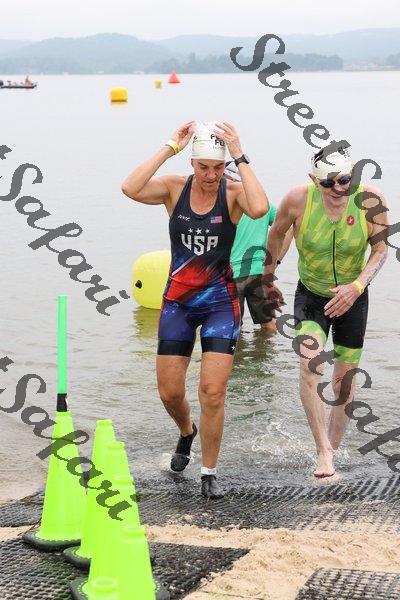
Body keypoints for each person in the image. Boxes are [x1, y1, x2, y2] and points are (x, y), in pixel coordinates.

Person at [122, 121, 269, 497]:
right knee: (170, 393)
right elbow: (130, 187)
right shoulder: (174, 189)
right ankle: (186, 431)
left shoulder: (232, 194)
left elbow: (260, 207)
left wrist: (239, 153)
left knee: (212, 392)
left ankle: (208, 471)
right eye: (204, 167)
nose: (211, 175)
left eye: (218, 168)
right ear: (192, 163)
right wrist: (170, 145)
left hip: (220, 304)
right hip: (179, 304)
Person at [264, 144, 388, 478]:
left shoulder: (370, 200)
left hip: (353, 298)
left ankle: (333, 446)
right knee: (310, 365)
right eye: (328, 183)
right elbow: (276, 236)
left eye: (344, 180)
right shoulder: (297, 200)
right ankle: (323, 452)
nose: (337, 189)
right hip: (312, 297)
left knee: (343, 384)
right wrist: (267, 278)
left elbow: (380, 250)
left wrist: (356, 286)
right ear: (313, 179)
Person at [226, 162, 293, 336]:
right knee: (269, 325)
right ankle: (267, 352)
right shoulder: (263, 205)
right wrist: (275, 262)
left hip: (230, 275)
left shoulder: (224, 204)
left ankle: (239, 354)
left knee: (232, 329)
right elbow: (289, 228)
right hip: (258, 272)